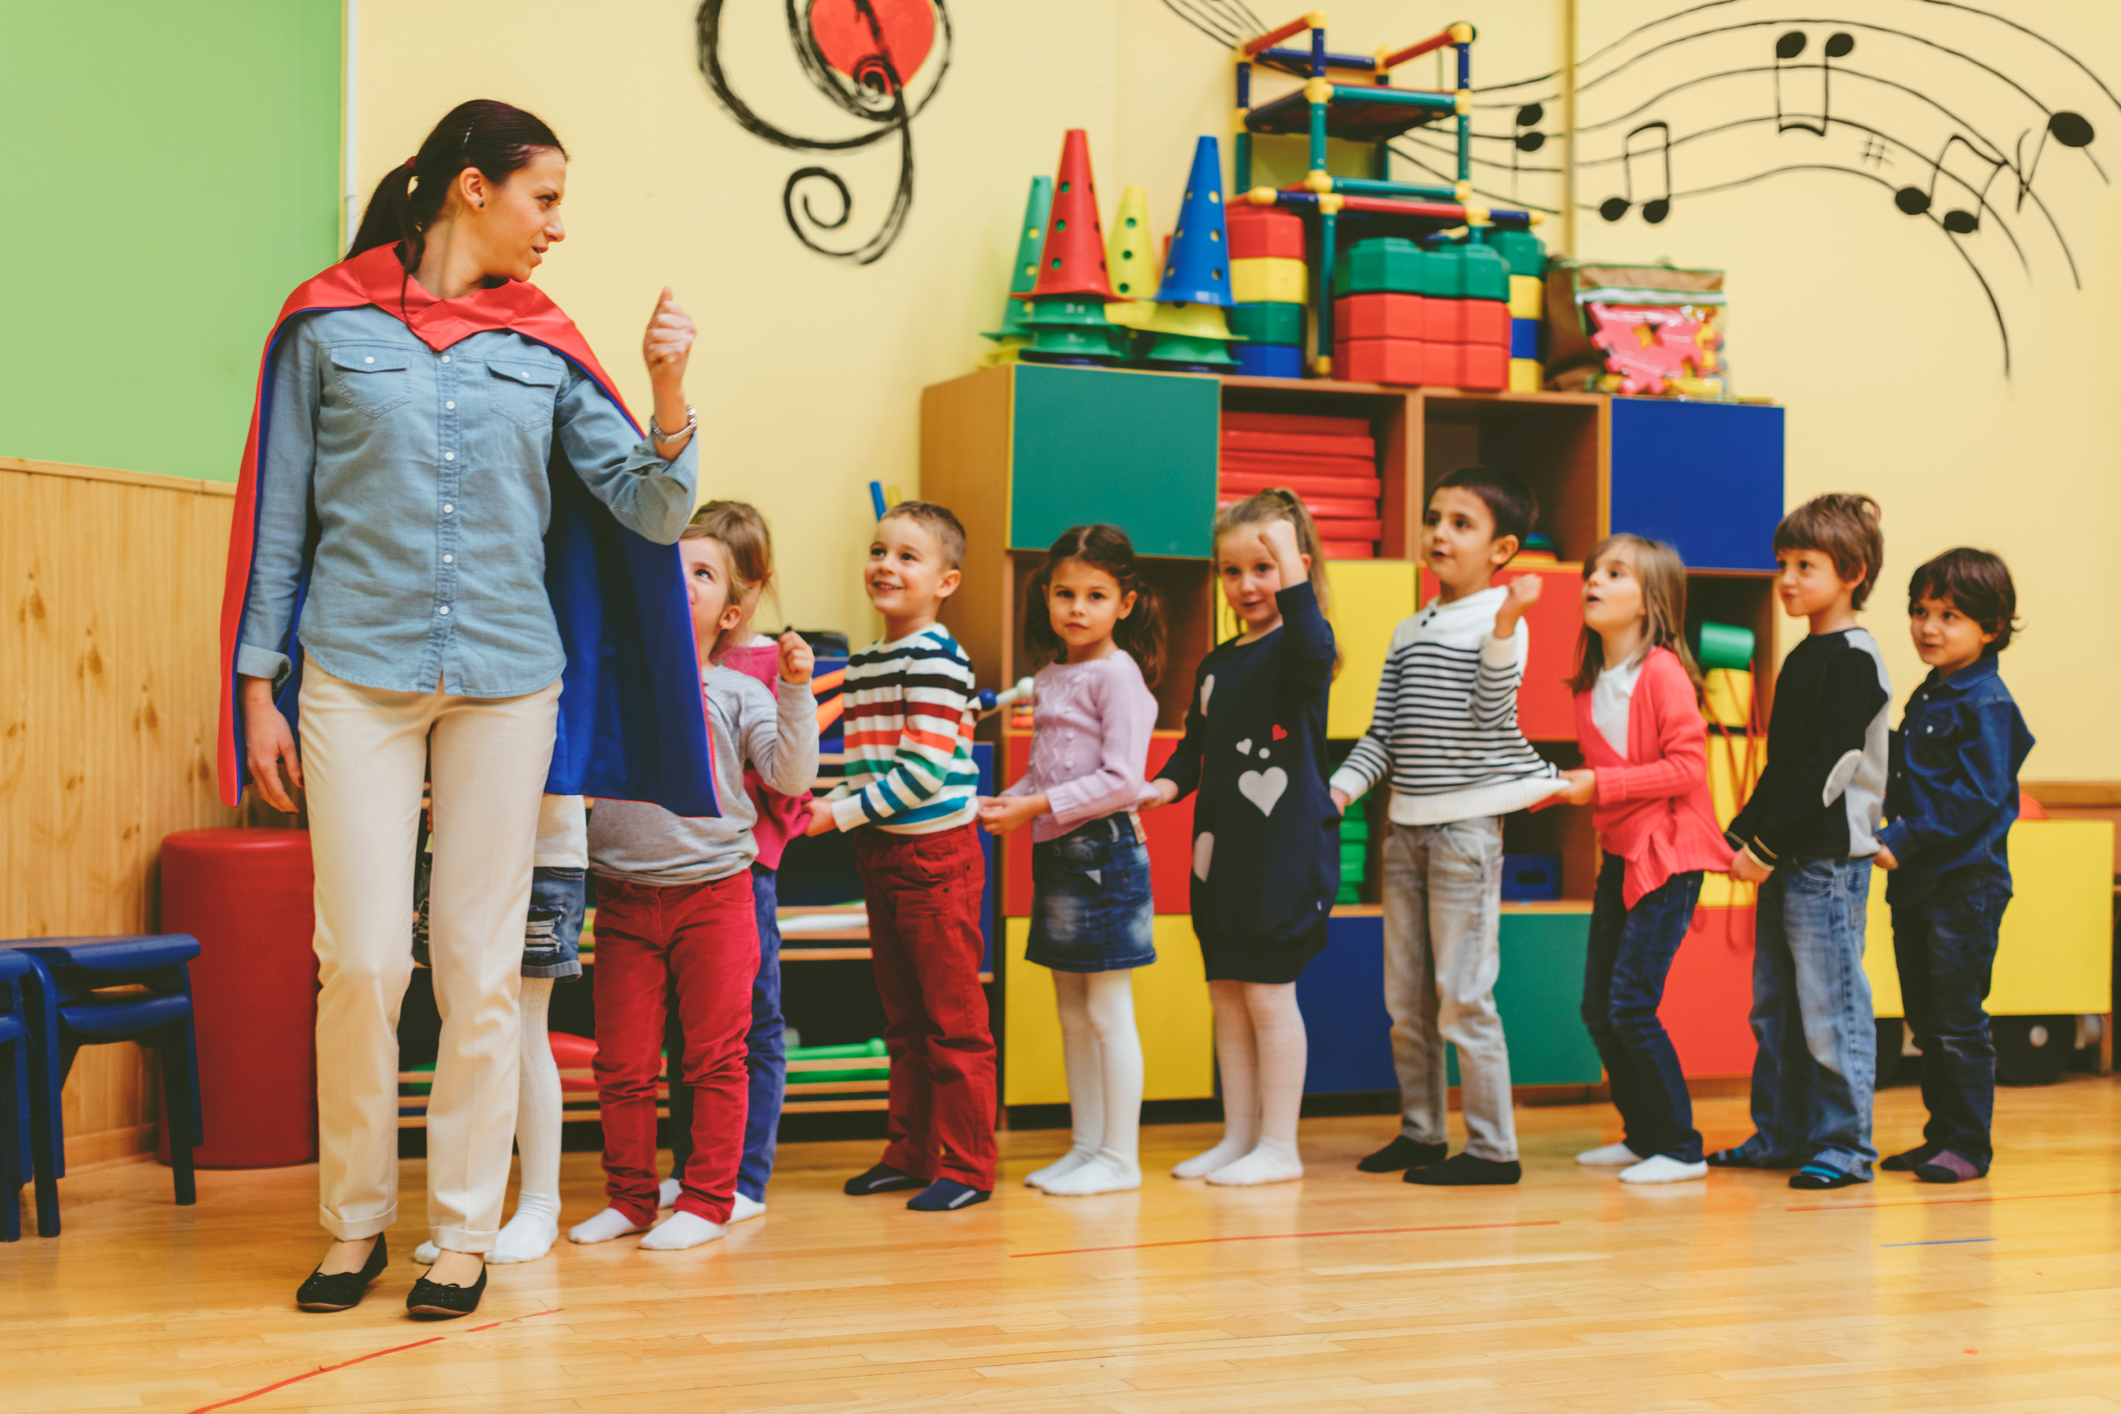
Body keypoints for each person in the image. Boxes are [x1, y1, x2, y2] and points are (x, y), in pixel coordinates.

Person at [223, 99, 710, 1318]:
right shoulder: (325, 323)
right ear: (471, 188)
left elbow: (652, 511)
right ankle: (353, 1224)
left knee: (481, 963)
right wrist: (256, 685)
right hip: (352, 675)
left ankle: (460, 1233)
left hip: (508, 681)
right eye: (544, 198)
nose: (557, 226)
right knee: (362, 960)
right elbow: (281, 514)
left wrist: (667, 391)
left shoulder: (544, 341)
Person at [574, 518, 817, 1249]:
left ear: (731, 615)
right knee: (621, 1062)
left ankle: (709, 1200)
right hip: (623, 897)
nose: (681, 580)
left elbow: (789, 777)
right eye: (669, 567)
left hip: (715, 894)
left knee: (715, 1055)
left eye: (702, 573)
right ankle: (630, 1197)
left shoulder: (737, 691)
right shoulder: (612, 679)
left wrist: (796, 691)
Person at [1330, 466, 1561, 1188]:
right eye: (1434, 518)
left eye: (1462, 524)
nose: (1439, 533)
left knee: (1463, 995)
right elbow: (1383, 735)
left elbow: (1492, 715)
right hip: (1404, 831)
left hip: (1464, 834)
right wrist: (1338, 791)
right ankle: (1422, 1132)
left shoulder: (1502, 624)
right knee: (1406, 1001)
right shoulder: (1410, 629)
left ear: (1502, 549)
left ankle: (1493, 1150)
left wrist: (1506, 625)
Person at [1145, 489, 1338, 1188]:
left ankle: (1279, 1147)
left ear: (1297, 570)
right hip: (1220, 858)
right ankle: (1240, 1137)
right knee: (1227, 995)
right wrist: (1158, 789)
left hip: (1282, 858)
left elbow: (1314, 646)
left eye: (1264, 568)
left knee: (1267, 996)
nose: (1246, 585)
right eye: (1231, 571)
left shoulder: (1301, 647)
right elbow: (1192, 753)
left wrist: (1288, 557)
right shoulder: (1217, 664)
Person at [810, 502, 998, 1212]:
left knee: (954, 1022)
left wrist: (836, 814)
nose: (885, 565)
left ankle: (968, 1166)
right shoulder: (868, 661)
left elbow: (920, 774)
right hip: (883, 853)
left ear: (946, 582)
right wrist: (830, 806)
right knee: (904, 1021)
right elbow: (868, 766)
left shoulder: (937, 660)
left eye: (907, 557)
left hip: (935, 859)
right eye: (878, 550)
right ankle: (911, 1151)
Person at [979, 524, 1165, 1197]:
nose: (1077, 608)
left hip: (1106, 855)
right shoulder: (1053, 675)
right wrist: (1011, 799)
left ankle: (1120, 1158)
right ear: (1046, 596)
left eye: (1095, 595)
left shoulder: (1118, 676)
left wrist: (1032, 806)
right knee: (1071, 1011)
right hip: (1059, 853)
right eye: (1064, 594)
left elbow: (1121, 781)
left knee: (1107, 1012)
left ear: (1126, 603)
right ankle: (1088, 1146)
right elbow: (1051, 768)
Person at [1713, 494, 1892, 1190]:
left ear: (1852, 572)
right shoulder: (1803, 654)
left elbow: (1829, 769)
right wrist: (1740, 834)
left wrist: (1761, 849)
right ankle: (1782, 1135)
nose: (1786, 579)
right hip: (1789, 857)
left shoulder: (1852, 658)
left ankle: (1846, 1147)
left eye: (1804, 566)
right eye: (1781, 564)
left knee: (1831, 1009)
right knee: (1776, 1009)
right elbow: (1782, 768)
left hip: (1827, 867)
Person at [1551, 536, 1732, 1185]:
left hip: (1669, 856)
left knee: (1629, 1003)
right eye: (1591, 572)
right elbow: (1603, 777)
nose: (1593, 582)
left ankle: (1680, 1148)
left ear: (1650, 602)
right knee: (1598, 1007)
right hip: (1621, 856)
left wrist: (1598, 786)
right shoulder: (1588, 684)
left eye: (1614, 573)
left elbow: (1687, 769)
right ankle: (1643, 1136)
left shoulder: (1662, 673)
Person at [660, 502, 811, 1222]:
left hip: (746, 867)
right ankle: (693, 1167)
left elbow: (788, 774)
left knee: (751, 1022)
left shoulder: (765, 667)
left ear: (749, 588)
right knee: (689, 1027)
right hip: (680, 867)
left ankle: (743, 1175)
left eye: (714, 573)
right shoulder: (672, 650)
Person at [1875, 549, 2033, 1184]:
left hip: (1964, 887)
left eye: (1949, 616)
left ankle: (1967, 1145)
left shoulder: (1986, 702)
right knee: (1926, 1018)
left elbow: (1975, 797)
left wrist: (1904, 837)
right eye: (1920, 611)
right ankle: (1940, 1136)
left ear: (1990, 628)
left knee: (1957, 1018)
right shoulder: (1930, 693)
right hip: (1917, 883)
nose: (1928, 627)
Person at [411, 792, 587, 1267]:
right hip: (453, 846)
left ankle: (539, 1206)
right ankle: (465, 1217)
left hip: (539, 848)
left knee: (524, 1026)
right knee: (463, 1024)